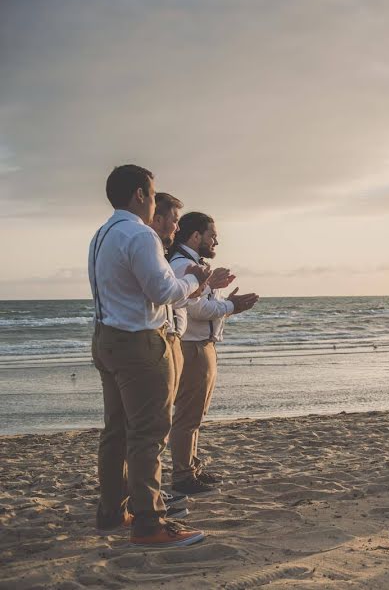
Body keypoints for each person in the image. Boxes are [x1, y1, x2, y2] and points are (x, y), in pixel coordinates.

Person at [89, 165, 208, 547]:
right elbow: (161, 291)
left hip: (106, 337)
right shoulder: (139, 234)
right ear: (140, 195)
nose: (155, 202)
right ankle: (150, 523)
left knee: (116, 431)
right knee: (148, 433)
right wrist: (195, 281)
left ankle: (111, 512)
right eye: (153, 195)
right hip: (139, 341)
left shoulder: (101, 234)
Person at [169, 212, 258, 494]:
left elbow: (207, 307)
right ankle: (183, 476)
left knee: (196, 413)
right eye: (212, 235)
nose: (216, 240)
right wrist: (232, 307)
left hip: (202, 345)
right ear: (195, 236)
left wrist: (228, 303)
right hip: (192, 347)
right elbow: (196, 309)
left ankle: (191, 468)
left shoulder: (195, 265)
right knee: (188, 414)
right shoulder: (183, 265)